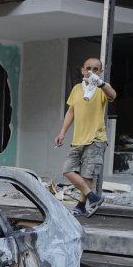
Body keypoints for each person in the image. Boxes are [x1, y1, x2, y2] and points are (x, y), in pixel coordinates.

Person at [55, 58, 116, 217]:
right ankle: (93, 197)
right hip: (78, 139)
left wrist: (100, 83)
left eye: (95, 69)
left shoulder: (102, 88)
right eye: (88, 68)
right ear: (83, 70)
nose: (91, 71)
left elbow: (112, 95)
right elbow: (71, 112)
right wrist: (62, 133)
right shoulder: (77, 89)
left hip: (96, 139)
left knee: (87, 175)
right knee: (67, 169)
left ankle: (81, 206)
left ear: (100, 72)